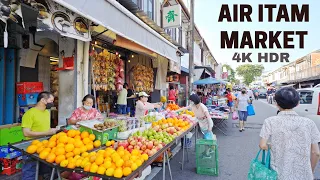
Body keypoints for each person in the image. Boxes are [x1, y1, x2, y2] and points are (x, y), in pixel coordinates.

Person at [259, 87, 320, 180]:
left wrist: (273, 146)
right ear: (298, 103)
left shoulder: (270, 121)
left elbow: (262, 145)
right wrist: (310, 172)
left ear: (276, 104)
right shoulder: (309, 123)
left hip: (279, 173)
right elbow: (316, 152)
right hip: (304, 175)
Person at [21, 91, 58, 180]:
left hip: (44, 146)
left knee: (43, 171)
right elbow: (26, 132)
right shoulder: (29, 113)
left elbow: (45, 129)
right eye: (51, 100)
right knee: (30, 172)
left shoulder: (46, 112)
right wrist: (47, 133)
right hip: (31, 146)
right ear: (43, 100)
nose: (52, 103)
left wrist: (53, 131)